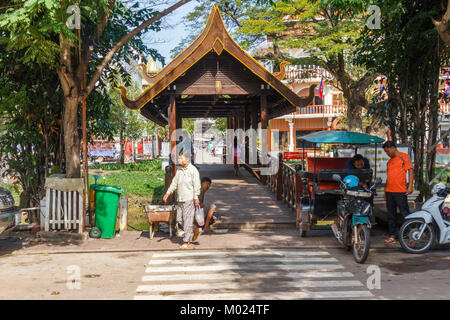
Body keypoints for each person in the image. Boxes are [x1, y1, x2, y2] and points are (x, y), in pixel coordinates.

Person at [163, 152, 201, 249]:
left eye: (181, 159)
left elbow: (197, 185)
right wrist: (168, 193)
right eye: (179, 159)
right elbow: (174, 183)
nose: (179, 160)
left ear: (187, 159)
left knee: (187, 220)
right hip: (180, 199)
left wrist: (196, 197)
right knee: (179, 219)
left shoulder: (193, 170)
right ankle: (195, 229)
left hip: (189, 199)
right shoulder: (179, 170)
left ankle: (186, 241)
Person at [383, 141, 414, 243]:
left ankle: (411, 236)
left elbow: (410, 171)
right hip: (389, 192)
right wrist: (384, 191)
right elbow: (389, 177)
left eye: (387, 151)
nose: (387, 154)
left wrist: (410, 186)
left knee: (405, 213)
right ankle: (393, 235)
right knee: (391, 215)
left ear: (392, 148)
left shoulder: (404, 157)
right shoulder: (389, 162)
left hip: (400, 191)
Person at [192, 176, 217, 241]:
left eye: (209, 185)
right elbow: (194, 202)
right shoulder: (198, 190)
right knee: (213, 207)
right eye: (207, 184)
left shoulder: (202, 191)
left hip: (197, 212)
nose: (208, 186)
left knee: (213, 218)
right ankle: (205, 226)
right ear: (201, 183)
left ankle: (199, 226)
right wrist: (200, 205)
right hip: (194, 211)